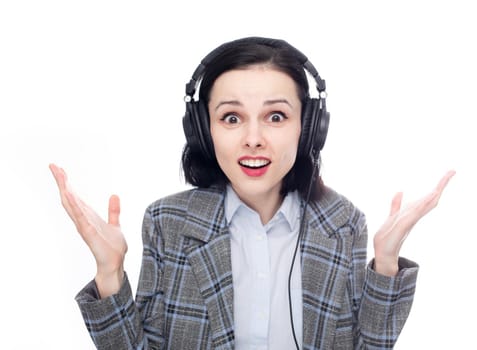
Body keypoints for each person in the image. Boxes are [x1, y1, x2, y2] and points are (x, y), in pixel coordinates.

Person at [50, 37, 455, 349]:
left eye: (276, 116)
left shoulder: (343, 222)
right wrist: (109, 274)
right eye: (231, 117)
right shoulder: (167, 223)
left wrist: (384, 266)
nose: (254, 139)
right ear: (203, 131)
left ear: (309, 127)